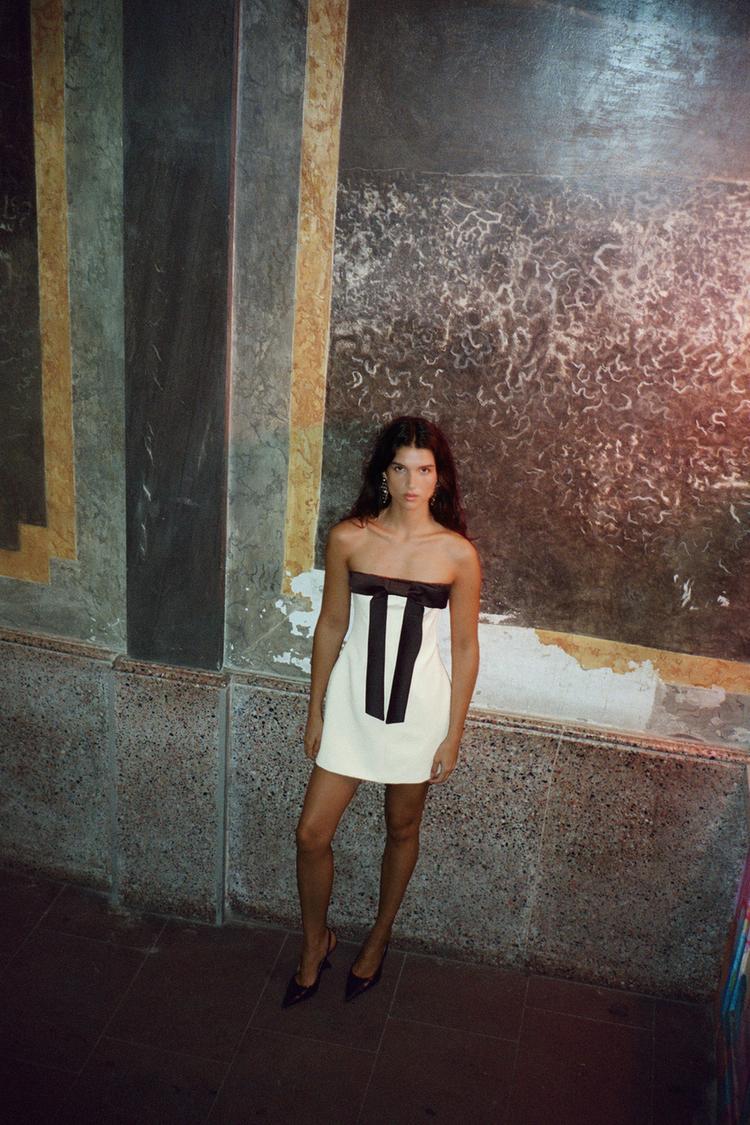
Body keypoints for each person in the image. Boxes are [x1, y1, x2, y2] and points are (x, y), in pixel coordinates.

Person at [282, 415, 481, 1007]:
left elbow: (466, 647)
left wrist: (453, 734)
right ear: (383, 473)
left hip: (420, 713)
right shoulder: (350, 538)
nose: (412, 482)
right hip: (350, 704)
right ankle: (315, 942)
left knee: (402, 827)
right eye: (400, 468)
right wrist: (316, 709)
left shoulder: (457, 554)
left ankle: (378, 937)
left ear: (439, 478)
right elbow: (331, 625)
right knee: (311, 834)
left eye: (424, 469)